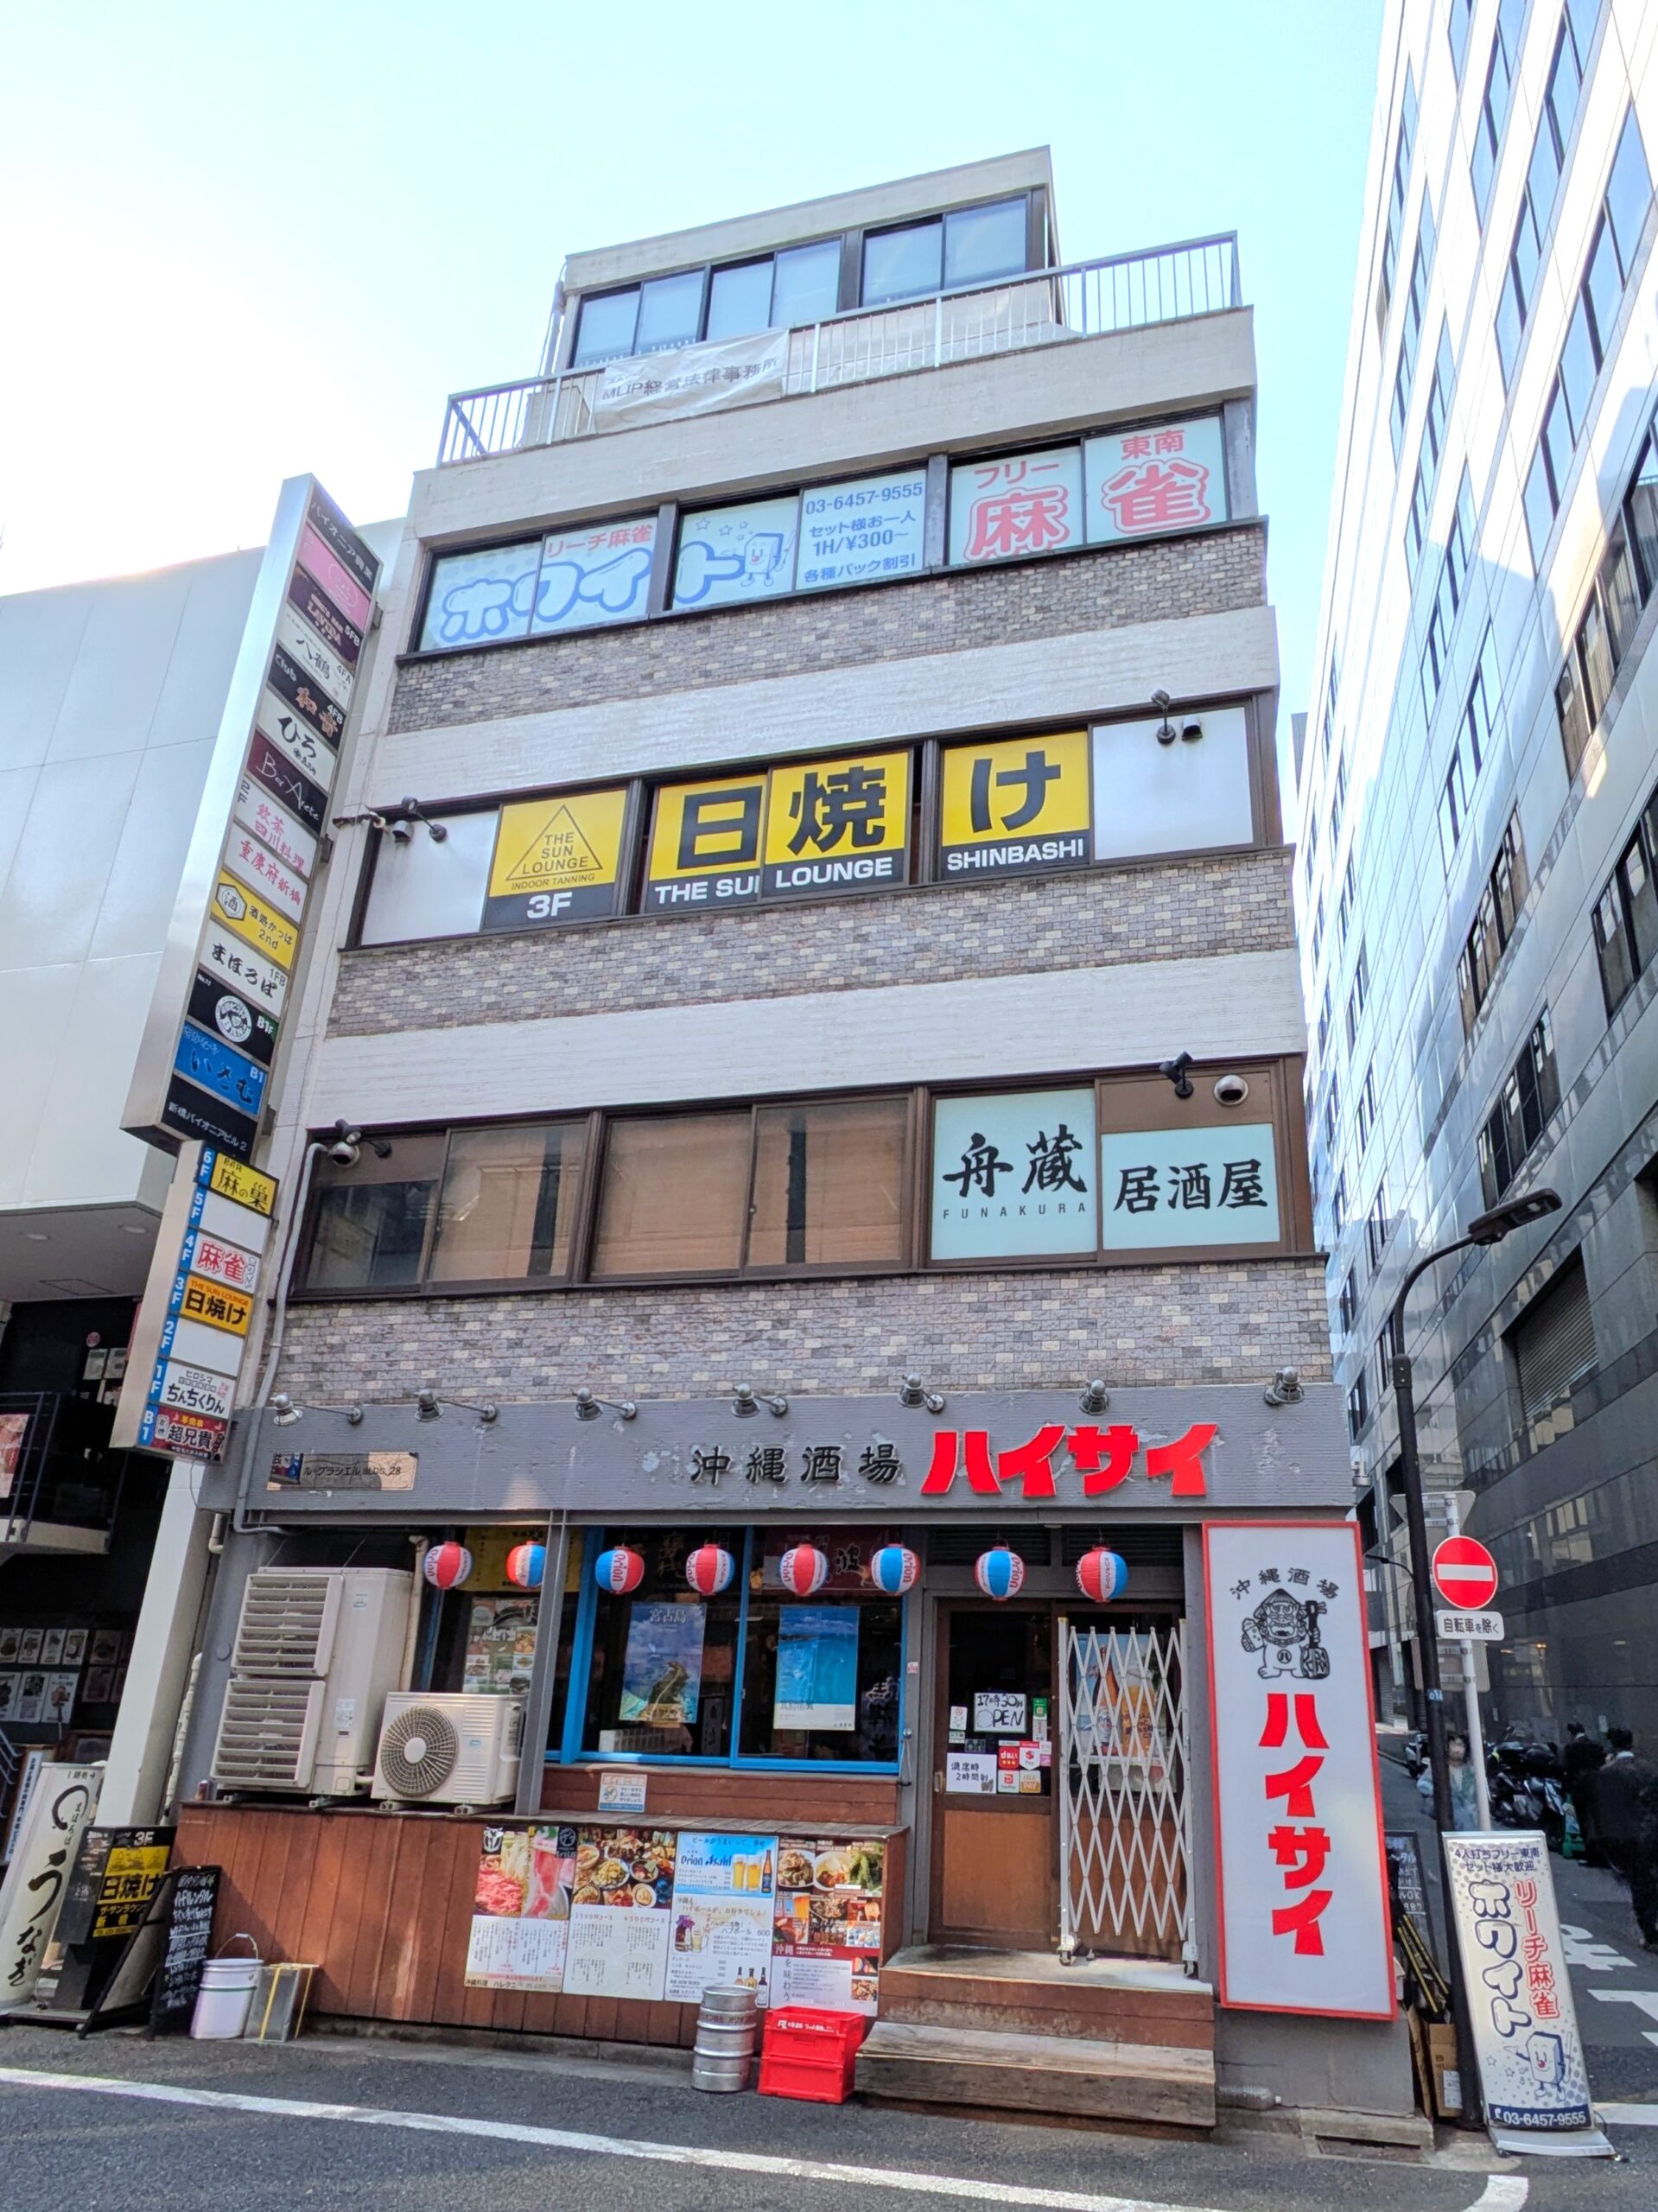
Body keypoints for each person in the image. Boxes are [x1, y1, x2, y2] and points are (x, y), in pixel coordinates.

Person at [1591, 1727, 1658, 1949]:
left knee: (1641, 1885)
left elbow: (1601, 1810)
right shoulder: (1649, 1769)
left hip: (1627, 1836)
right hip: (1652, 1831)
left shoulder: (1606, 1774)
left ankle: (1650, 1932)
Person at [1563, 1721, 1607, 1865]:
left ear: (1572, 1733)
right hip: (1598, 1786)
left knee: (1584, 1821)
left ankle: (1590, 1854)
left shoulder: (1571, 1748)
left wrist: (1567, 1786)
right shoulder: (1596, 1746)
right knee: (1598, 1819)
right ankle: (1603, 1852)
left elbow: (1567, 1768)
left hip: (1579, 1787)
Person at [1419, 1730, 1481, 1828]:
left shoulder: (1470, 1771)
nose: (1457, 1749)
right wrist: (1440, 1794)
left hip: (1471, 1822)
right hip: (1447, 1820)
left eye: (1461, 1746)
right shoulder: (1439, 1768)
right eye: (1454, 1745)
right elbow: (1422, 1784)